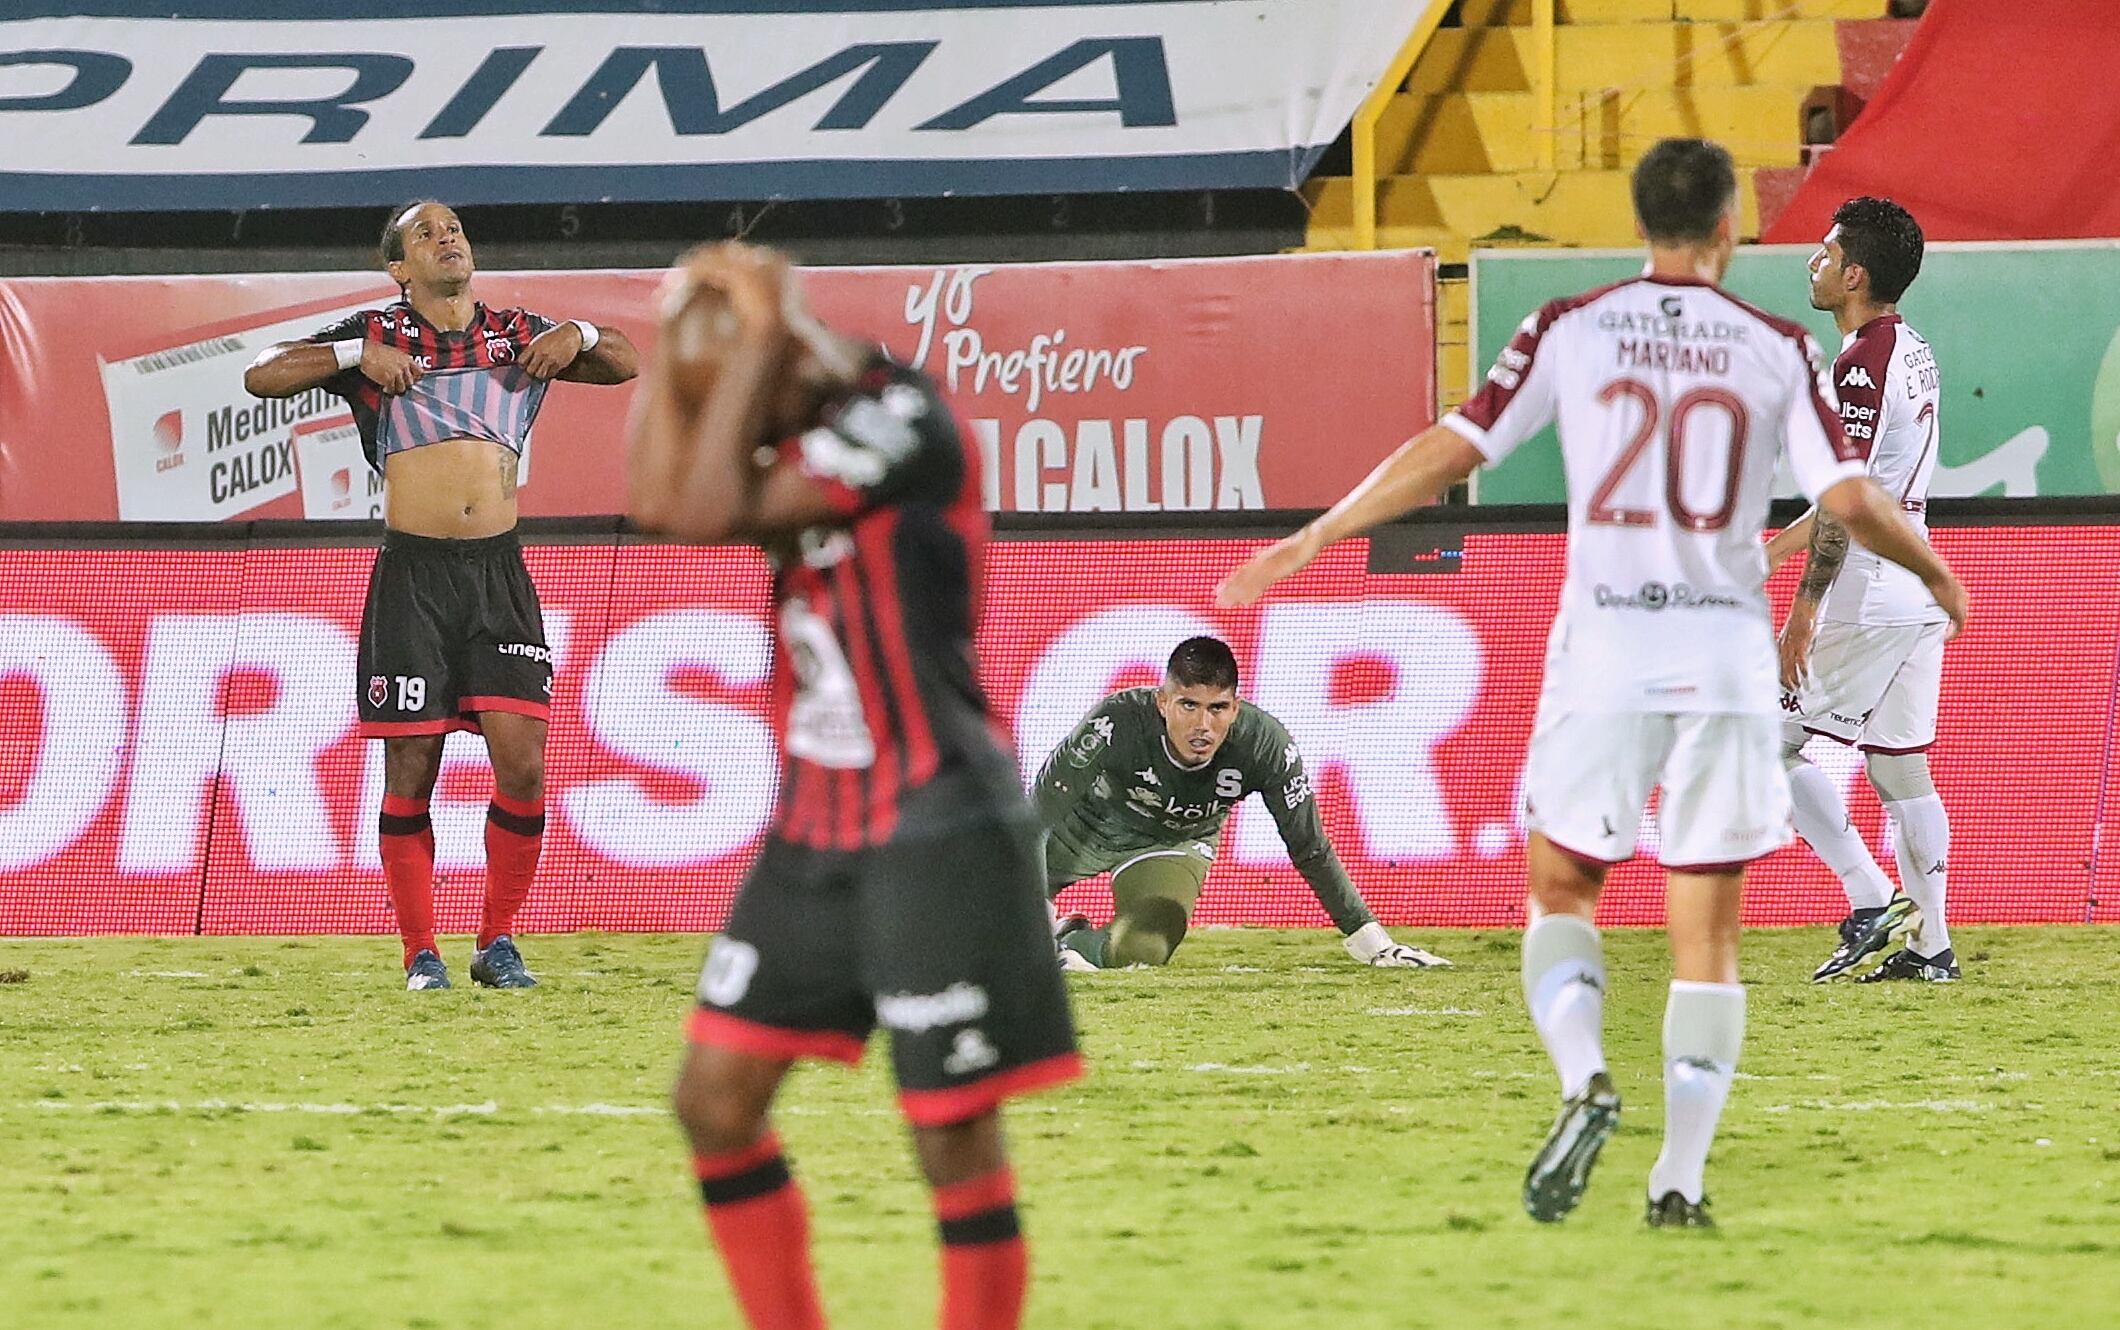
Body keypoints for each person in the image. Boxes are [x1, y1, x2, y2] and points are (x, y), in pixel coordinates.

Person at [1217, 139, 1967, 1229]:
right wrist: (1934, 571)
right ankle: (1679, 1179)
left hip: (1607, 644)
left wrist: (1319, 533)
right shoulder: (1777, 349)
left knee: (1563, 892)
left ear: (1640, 220)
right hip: (1719, 647)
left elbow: (1453, 446)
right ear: (1726, 230)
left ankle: (1584, 1076)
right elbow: (1849, 496)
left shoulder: (1569, 325)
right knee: (1707, 933)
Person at [630, 243, 1080, 1330]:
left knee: (949, 1131)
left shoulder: (904, 415)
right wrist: (671, 343)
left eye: (744, 393)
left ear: (787, 358)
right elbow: (656, 502)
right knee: (713, 1102)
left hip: (937, 815)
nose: (739, 425)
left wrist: (754, 335)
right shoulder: (798, 422)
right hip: (816, 825)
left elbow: (702, 508)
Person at [243, 200, 638, 991]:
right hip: (413, 577)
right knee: (411, 766)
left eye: (453, 228)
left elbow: (625, 360)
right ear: (398, 268)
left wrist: (581, 333)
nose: (446, 238)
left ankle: (497, 942)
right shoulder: (377, 336)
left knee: (523, 765)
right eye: (424, 233)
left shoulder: (518, 335)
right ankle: (420, 951)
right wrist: (357, 354)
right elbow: (263, 373)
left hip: (500, 575)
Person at [1763, 197, 1958, 983]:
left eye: (1826, 251)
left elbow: (1848, 501)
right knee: (1900, 770)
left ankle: (1871, 898)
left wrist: (1803, 609)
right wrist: (1773, 553)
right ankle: (1931, 948)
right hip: (1914, 575)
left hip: (1867, 586)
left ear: (1855, 275)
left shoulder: (1856, 367)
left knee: (1760, 744)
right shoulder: (1912, 348)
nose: (1812, 262)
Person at [1037, 635, 1450, 971]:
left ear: (1235, 708)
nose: (1202, 725)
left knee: (1143, 949)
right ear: (1162, 702)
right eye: (1188, 705)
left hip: (1171, 842)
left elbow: (1309, 847)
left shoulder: (1265, 745)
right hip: (1081, 829)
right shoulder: (1115, 721)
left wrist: (1376, 944)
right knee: (998, 932)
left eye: (1217, 708)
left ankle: (1070, 942)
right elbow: (1036, 819)